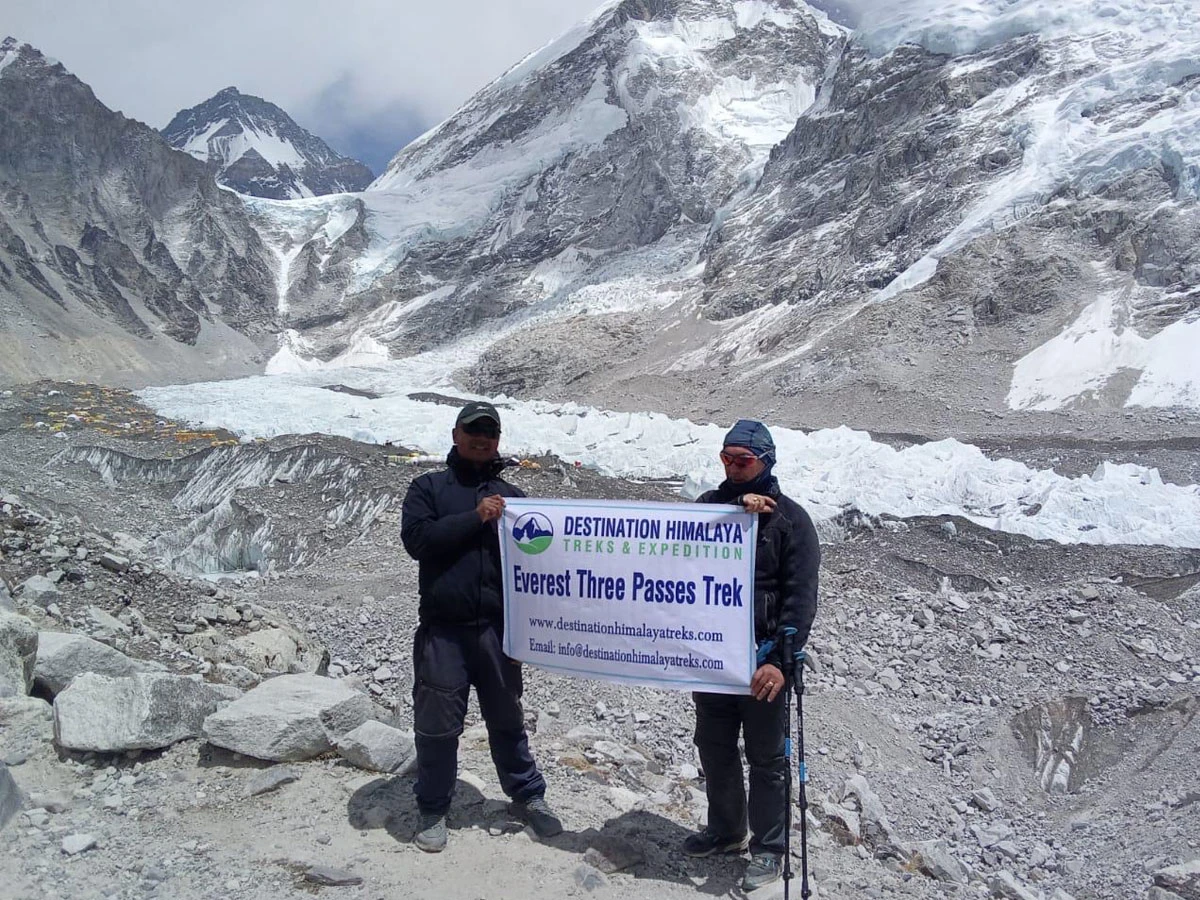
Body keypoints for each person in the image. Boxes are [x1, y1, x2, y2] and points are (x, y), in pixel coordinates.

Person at [400, 400, 562, 852]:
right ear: (456, 435)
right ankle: (433, 807)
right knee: (437, 725)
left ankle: (528, 796)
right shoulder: (428, 488)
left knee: (507, 717)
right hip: (443, 632)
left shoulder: (514, 499)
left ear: (498, 440)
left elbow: (537, 564)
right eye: (473, 430)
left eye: (489, 432)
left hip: (497, 632)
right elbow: (418, 541)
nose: (481, 438)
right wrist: (476, 517)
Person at [684, 419, 820, 892]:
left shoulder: (791, 521)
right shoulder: (709, 509)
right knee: (714, 746)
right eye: (727, 459)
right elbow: (677, 558)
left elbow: (799, 599)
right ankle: (726, 831)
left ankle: (769, 848)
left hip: (763, 661)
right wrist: (734, 513)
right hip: (713, 658)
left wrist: (781, 662)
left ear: (765, 461)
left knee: (766, 757)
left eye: (743, 460)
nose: (733, 467)